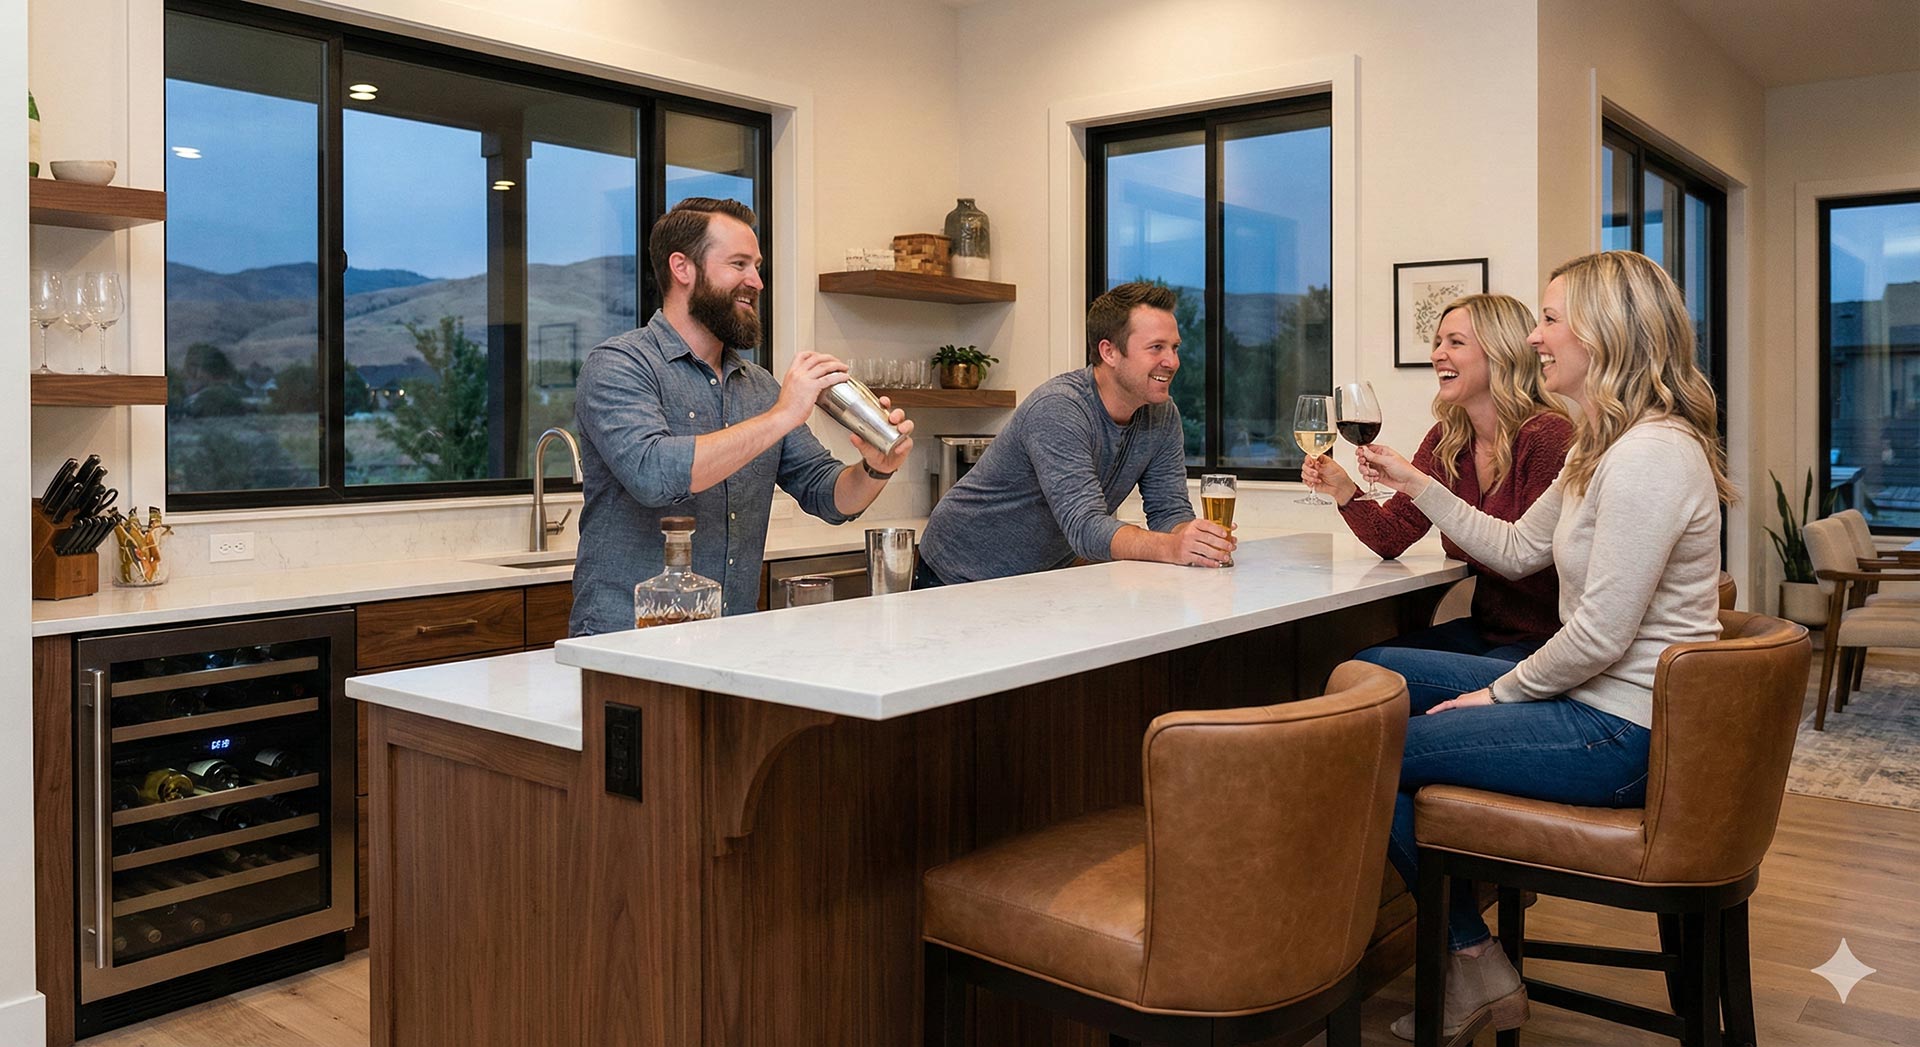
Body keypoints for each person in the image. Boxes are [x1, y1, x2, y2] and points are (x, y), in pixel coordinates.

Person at [1353, 251, 1733, 1042]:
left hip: (1621, 730)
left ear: (1606, 333)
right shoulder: (1603, 442)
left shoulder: (1652, 453)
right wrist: (1416, 483)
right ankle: (1472, 957)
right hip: (1602, 705)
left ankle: (1468, 957)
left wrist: (1498, 691)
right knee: (1372, 688)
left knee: (1367, 749)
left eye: (1552, 318)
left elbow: (1599, 633)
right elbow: (1519, 547)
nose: (1534, 337)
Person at [569, 198, 913, 636]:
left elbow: (827, 494)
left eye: (756, 265)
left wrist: (875, 468)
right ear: (683, 268)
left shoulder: (760, 386)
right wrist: (783, 414)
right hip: (627, 639)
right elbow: (654, 473)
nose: (756, 281)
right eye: (738, 264)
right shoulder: (619, 365)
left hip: (731, 637)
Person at [1304, 295, 1571, 662]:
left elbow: (1518, 557)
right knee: (1360, 661)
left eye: (1455, 343)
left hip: (1547, 647)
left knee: (1374, 669)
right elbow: (1392, 536)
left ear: (1501, 353)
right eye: (1437, 343)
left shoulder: (1548, 437)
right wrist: (1345, 490)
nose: (1437, 354)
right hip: (1487, 632)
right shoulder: (1449, 439)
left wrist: (1416, 483)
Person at [914, 281, 1234, 586]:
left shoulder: (1162, 415)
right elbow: (1085, 526)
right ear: (1108, 352)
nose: (1173, 361)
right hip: (956, 572)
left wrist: (1196, 538)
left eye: (1175, 347)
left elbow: (1168, 511)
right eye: (1156, 348)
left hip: (1037, 577)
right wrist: (1170, 547)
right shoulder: (1059, 408)